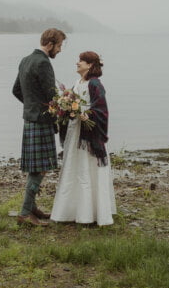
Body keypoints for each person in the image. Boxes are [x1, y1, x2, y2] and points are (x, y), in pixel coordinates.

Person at [50, 51, 116, 226]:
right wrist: (63, 107)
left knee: (88, 170)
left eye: (81, 61)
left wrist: (87, 115)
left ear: (90, 65)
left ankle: (91, 214)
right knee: (73, 167)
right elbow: (71, 103)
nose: (77, 63)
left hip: (89, 134)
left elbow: (101, 109)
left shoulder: (95, 84)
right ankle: (71, 211)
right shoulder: (78, 82)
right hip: (75, 131)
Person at [12, 27, 67, 226]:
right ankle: (26, 213)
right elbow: (52, 96)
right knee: (40, 168)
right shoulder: (43, 63)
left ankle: (32, 208)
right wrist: (59, 110)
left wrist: (31, 106)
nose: (60, 50)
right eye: (59, 46)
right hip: (41, 120)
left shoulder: (25, 60)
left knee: (35, 167)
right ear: (50, 44)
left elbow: (16, 90)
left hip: (29, 119)